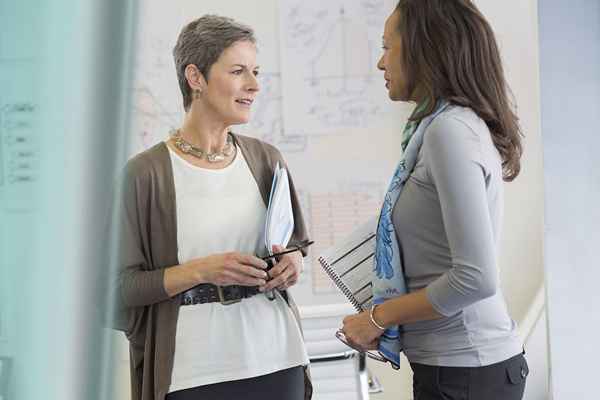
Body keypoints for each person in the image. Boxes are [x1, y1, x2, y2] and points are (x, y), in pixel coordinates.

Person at [112, 15, 312, 400]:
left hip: (278, 354)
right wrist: (200, 270)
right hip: (195, 370)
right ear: (195, 77)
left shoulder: (266, 160)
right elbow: (118, 287)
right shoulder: (144, 175)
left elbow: (295, 244)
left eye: (255, 72)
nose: (254, 85)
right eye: (238, 71)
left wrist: (294, 263)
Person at [340, 1, 529, 399]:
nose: (380, 63)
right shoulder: (438, 130)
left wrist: (379, 317)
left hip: (467, 371)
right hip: (456, 369)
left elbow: (475, 278)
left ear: (424, 48)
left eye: (386, 47)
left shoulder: (450, 132)